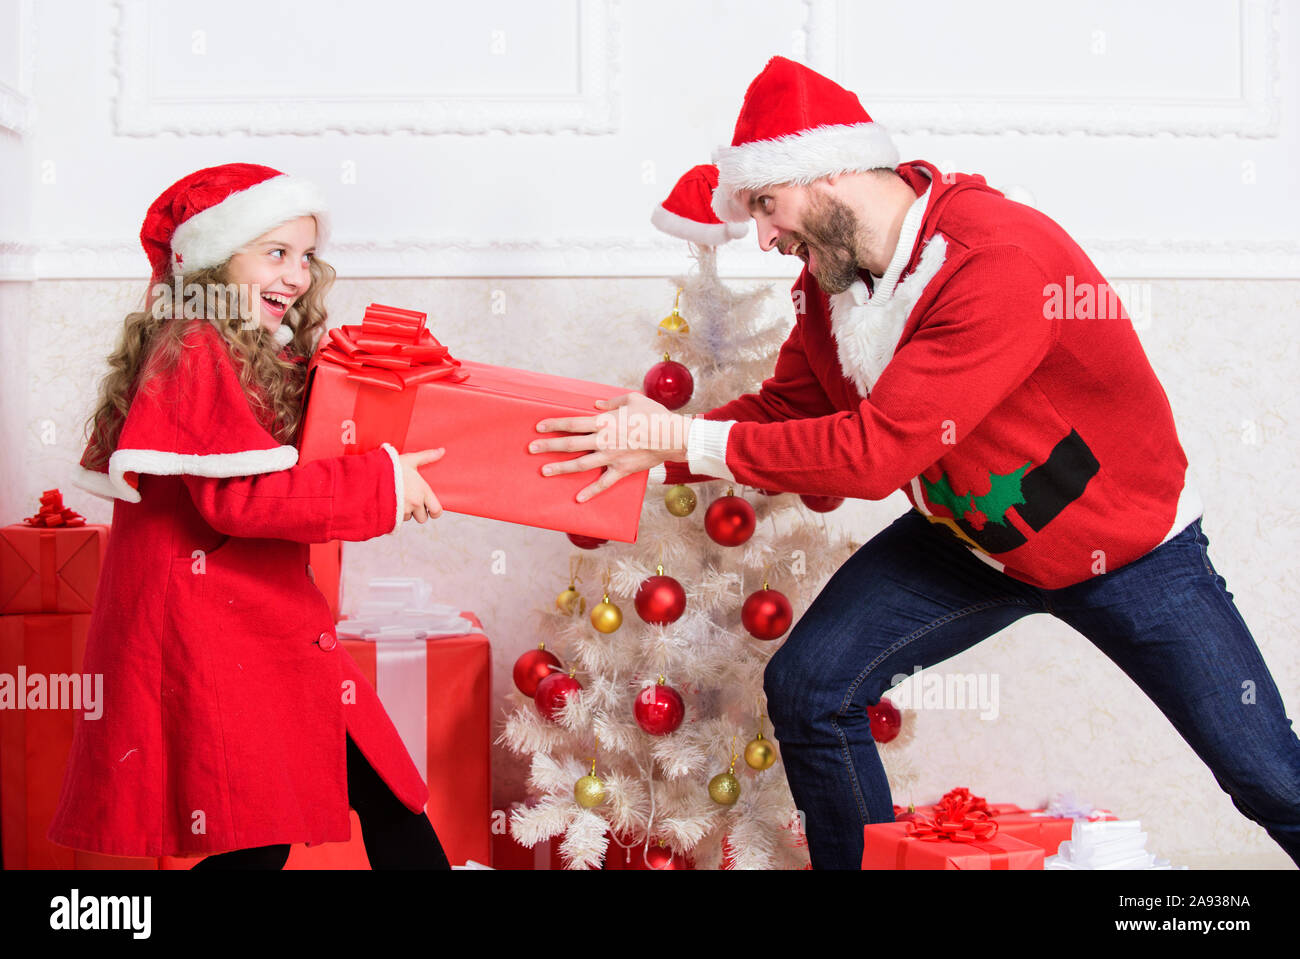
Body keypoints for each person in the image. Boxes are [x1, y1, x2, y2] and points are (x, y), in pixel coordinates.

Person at [528, 57, 1300, 869]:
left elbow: (872, 453)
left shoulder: (995, 258)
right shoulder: (832, 278)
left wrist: (678, 442)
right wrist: (653, 448)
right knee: (812, 688)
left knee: (1265, 773)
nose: (763, 234)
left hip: (1128, 544)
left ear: (826, 172)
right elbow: (796, 409)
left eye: (766, 204)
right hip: (973, 536)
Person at [47, 163, 452, 869]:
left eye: (305, 256)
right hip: (219, 631)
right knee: (273, 826)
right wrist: (382, 483)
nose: (297, 274)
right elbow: (236, 497)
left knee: (355, 798)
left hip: (262, 622)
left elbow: (282, 461)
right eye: (275, 252)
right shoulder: (196, 347)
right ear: (211, 258)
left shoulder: (250, 350)